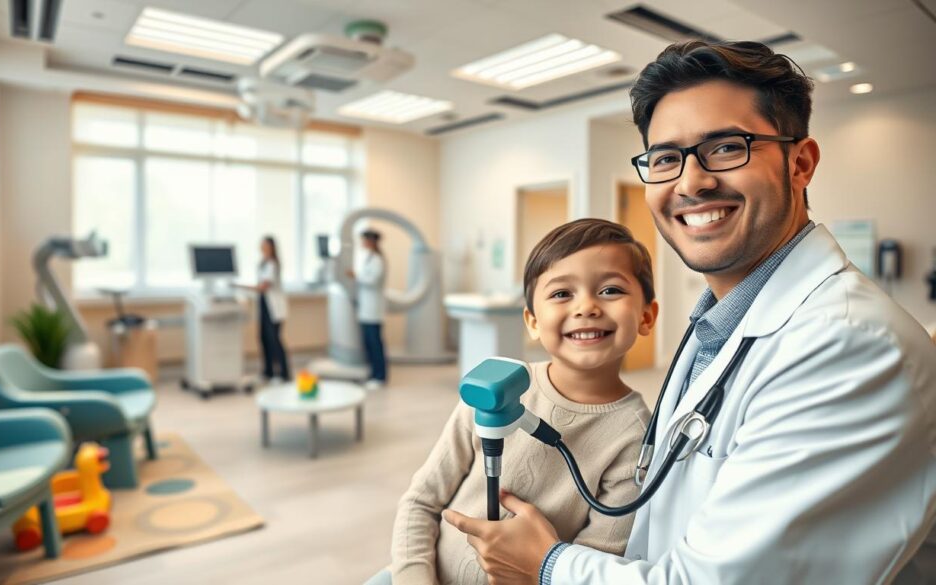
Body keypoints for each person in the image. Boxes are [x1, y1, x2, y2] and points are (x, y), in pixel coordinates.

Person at [444, 40, 936, 584]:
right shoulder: (719, 326)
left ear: (801, 163)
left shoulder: (848, 346)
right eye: (665, 158)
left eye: (727, 147)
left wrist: (547, 564)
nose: (691, 181)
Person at [377, 219, 657, 585]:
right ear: (532, 322)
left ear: (646, 317)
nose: (586, 306)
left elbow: (590, 569)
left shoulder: (634, 440)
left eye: (610, 290)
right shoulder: (495, 387)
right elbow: (421, 502)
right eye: (561, 294)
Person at [353, 229, 388, 390]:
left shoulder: (378, 260)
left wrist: (356, 276)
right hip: (366, 308)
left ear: (371, 241)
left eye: (364, 240)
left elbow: (372, 281)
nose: (362, 243)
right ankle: (373, 374)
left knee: (375, 343)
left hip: (373, 308)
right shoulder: (369, 258)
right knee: (368, 343)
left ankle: (380, 376)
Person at [256, 236, 290, 382]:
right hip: (264, 304)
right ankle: (268, 371)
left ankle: (284, 373)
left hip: (274, 307)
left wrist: (242, 286)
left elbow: (265, 286)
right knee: (263, 338)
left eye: (266, 245)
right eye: (262, 244)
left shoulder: (273, 264)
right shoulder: (262, 263)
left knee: (274, 340)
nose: (263, 247)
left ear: (272, 247)